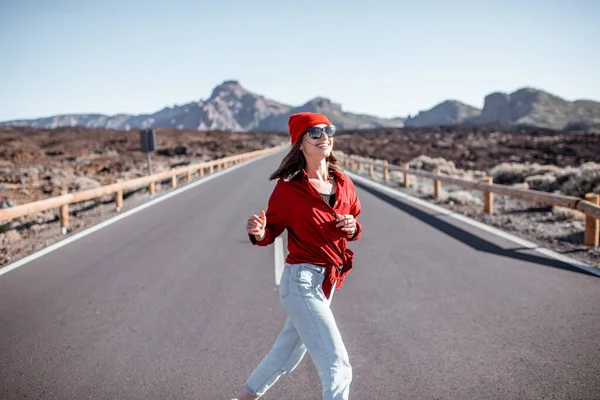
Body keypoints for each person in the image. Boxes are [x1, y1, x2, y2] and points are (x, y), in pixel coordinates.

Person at [235, 112, 363, 400]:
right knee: (337, 366)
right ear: (300, 143)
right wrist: (258, 231)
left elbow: (354, 222)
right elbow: (270, 232)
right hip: (301, 282)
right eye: (315, 132)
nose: (324, 137)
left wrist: (352, 227)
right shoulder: (288, 189)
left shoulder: (343, 182)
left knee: (286, 354)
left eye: (328, 130)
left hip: (326, 283)